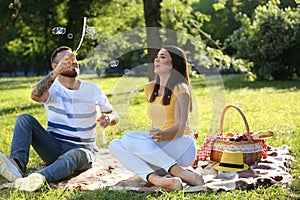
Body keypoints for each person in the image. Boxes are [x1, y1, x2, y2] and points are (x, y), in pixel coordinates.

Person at [0, 46, 119, 192]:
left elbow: (114, 114)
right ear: (55, 66)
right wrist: (56, 73)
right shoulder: (51, 88)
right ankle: (17, 166)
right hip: (54, 147)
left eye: (74, 59)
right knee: (24, 119)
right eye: (67, 60)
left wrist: (109, 117)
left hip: (82, 150)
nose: (73, 62)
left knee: (74, 154)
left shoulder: (92, 89)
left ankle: (38, 178)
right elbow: (35, 96)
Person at [108, 45, 204, 191]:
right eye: (157, 56)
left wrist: (163, 135)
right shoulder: (151, 89)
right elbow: (156, 123)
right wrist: (152, 139)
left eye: (163, 57)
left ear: (173, 65)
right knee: (114, 144)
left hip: (181, 146)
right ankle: (159, 180)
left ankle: (179, 171)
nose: (156, 59)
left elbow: (181, 126)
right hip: (162, 152)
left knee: (128, 138)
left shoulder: (180, 88)